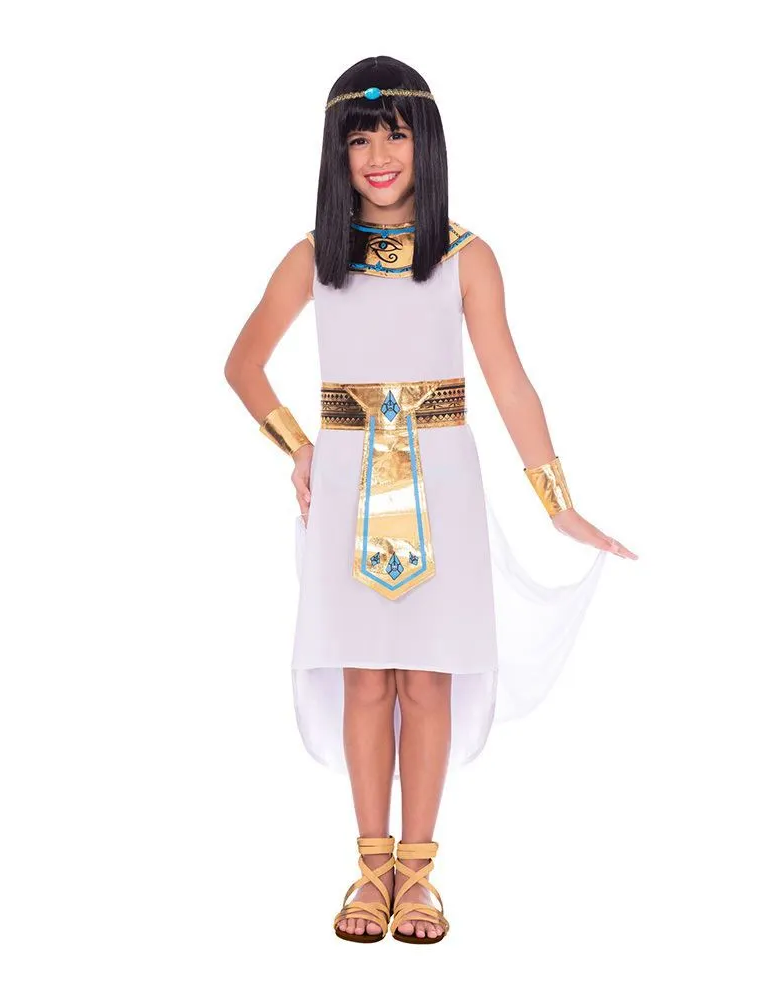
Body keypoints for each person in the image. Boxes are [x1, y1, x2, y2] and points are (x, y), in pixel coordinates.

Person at [224, 55, 638, 945]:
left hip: (440, 480)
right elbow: (243, 363)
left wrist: (557, 502)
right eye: (360, 140)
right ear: (336, 155)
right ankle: (370, 867)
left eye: (396, 135)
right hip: (348, 484)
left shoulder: (463, 256)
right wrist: (300, 448)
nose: (379, 156)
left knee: (426, 675)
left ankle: (417, 875)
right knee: (364, 676)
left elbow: (509, 381)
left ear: (427, 143)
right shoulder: (315, 256)